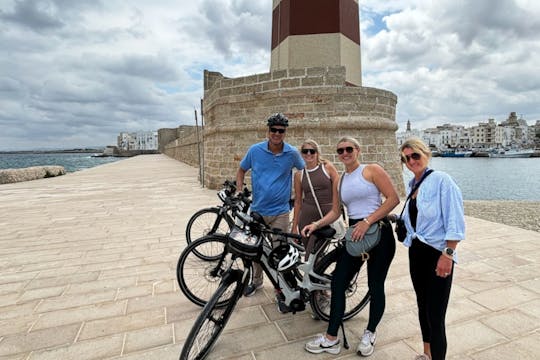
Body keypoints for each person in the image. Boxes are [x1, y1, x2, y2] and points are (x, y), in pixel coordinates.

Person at [302, 136, 399, 356]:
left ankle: (370, 333)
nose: (344, 154)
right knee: (337, 282)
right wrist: (316, 224)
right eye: (340, 151)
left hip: (379, 233)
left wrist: (368, 221)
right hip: (355, 235)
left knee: (375, 285)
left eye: (348, 149)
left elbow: (392, 198)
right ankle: (331, 338)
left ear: (357, 150)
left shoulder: (371, 170)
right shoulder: (341, 180)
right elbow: (336, 211)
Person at [397, 138, 465, 360]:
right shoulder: (413, 185)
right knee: (422, 306)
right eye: (406, 158)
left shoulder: (442, 180)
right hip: (416, 253)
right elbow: (416, 221)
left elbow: (455, 219)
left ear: (426, 154)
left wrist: (448, 253)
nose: (411, 161)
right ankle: (427, 353)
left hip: (438, 254)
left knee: (436, 315)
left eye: (415, 155)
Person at [236, 113, 305, 312]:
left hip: (280, 212)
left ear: (285, 133)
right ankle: (256, 281)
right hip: (257, 210)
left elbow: (304, 171)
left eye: (280, 131)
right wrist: (240, 191)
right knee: (255, 251)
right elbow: (241, 171)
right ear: (268, 131)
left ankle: (281, 290)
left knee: (279, 253)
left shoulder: (291, 153)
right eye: (273, 130)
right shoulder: (255, 151)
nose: (276, 134)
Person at [291, 139, 340, 259]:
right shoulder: (299, 175)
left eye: (312, 151)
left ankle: (320, 274)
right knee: (310, 255)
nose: (308, 154)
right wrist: (294, 226)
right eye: (305, 151)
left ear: (317, 153)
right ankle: (312, 277)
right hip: (307, 217)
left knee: (321, 252)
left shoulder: (327, 167)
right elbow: (298, 201)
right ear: (301, 154)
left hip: (328, 215)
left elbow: (339, 189)